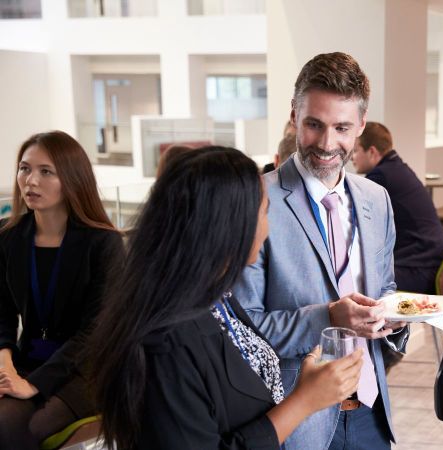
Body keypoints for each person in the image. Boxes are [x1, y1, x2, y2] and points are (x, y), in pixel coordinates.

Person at [91, 147, 363, 449]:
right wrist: (303, 401)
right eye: (264, 212)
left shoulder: (217, 297)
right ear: (230, 226)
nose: (268, 227)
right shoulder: (167, 344)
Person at [233, 52, 408, 450]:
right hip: (296, 424)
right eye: (314, 124)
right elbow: (242, 333)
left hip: (370, 413)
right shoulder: (257, 201)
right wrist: (328, 317)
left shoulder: (377, 199)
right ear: (294, 115)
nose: (328, 144)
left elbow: (388, 288)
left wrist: (394, 320)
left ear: (362, 125)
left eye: (342, 127)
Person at [0, 131, 123, 449]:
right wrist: (6, 365)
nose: (31, 181)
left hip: (85, 370)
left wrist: (33, 385)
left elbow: (95, 332)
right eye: (25, 169)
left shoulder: (102, 242)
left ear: (71, 179)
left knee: (14, 424)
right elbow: (2, 313)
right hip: (28, 359)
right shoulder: (9, 237)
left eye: (46, 171)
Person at [351, 121, 443, 294]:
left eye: (355, 151)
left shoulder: (380, 177)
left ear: (372, 152)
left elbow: (358, 224)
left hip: (419, 269)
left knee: (354, 280)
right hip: (430, 261)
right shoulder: (397, 168)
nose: (351, 157)